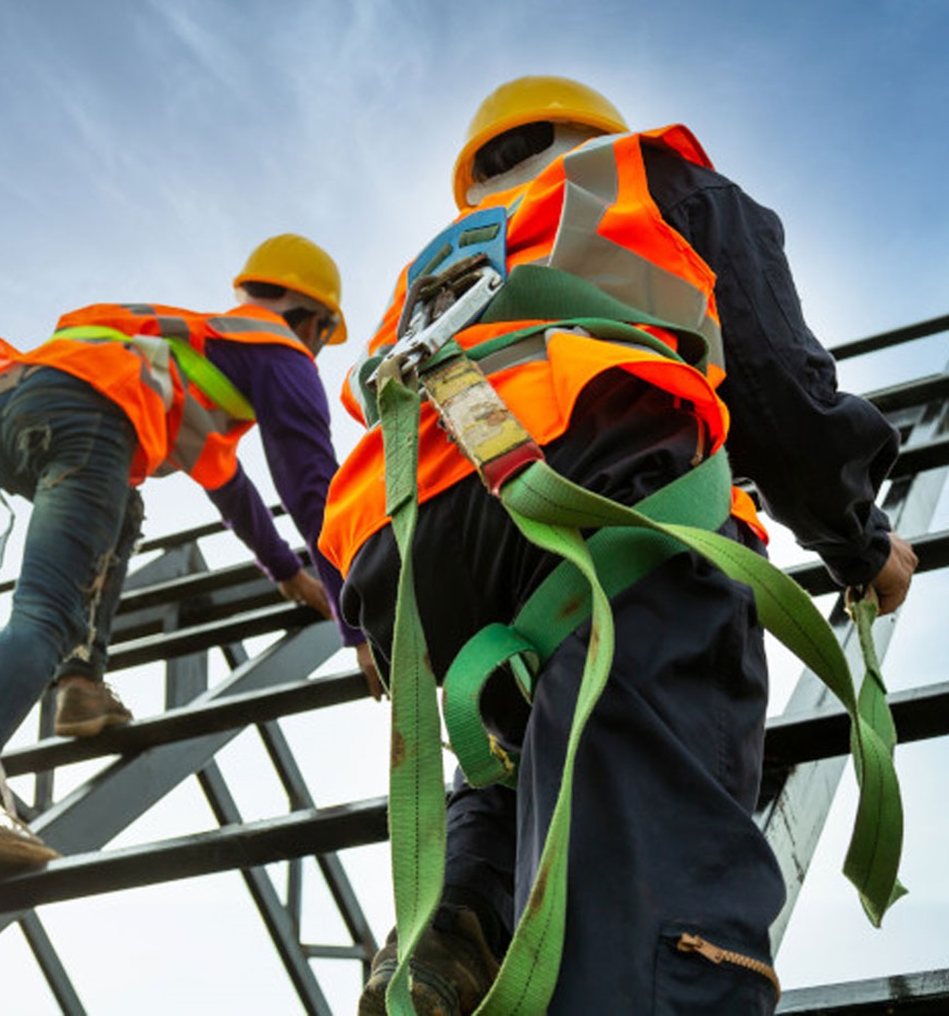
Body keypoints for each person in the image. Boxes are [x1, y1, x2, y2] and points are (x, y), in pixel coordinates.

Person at [318, 77, 918, 1013]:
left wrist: (366, 629)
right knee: (650, 815)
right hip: (602, 469)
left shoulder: (435, 266)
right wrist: (858, 541)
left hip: (405, 548)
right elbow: (772, 380)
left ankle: (453, 922)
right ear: (594, 128)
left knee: (521, 736)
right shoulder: (647, 174)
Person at [0, 232, 370, 876]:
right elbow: (314, 492)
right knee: (45, 614)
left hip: (11, 412)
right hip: (86, 415)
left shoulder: (196, 354)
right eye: (320, 337)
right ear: (313, 319)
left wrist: (285, 572)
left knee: (123, 511)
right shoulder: (280, 352)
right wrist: (358, 624)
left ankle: (81, 684)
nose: (314, 352)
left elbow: (232, 489)